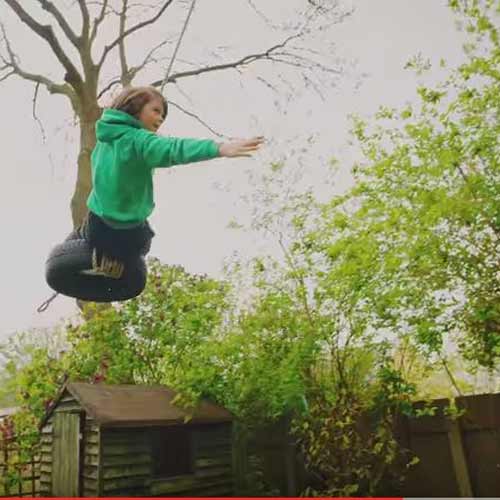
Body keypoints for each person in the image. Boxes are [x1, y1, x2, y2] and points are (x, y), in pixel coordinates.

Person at [80, 85, 264, 278]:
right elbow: (174, 148)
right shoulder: (142, 141)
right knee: (144, 242)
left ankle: (98, 258)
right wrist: (219, 148)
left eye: (163, 116)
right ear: (134, 107)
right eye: (156, 111)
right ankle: (113, 264)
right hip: (130, 233)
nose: (160, 119)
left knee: (83, 234)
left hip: (96, 227)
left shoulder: (104, 136)